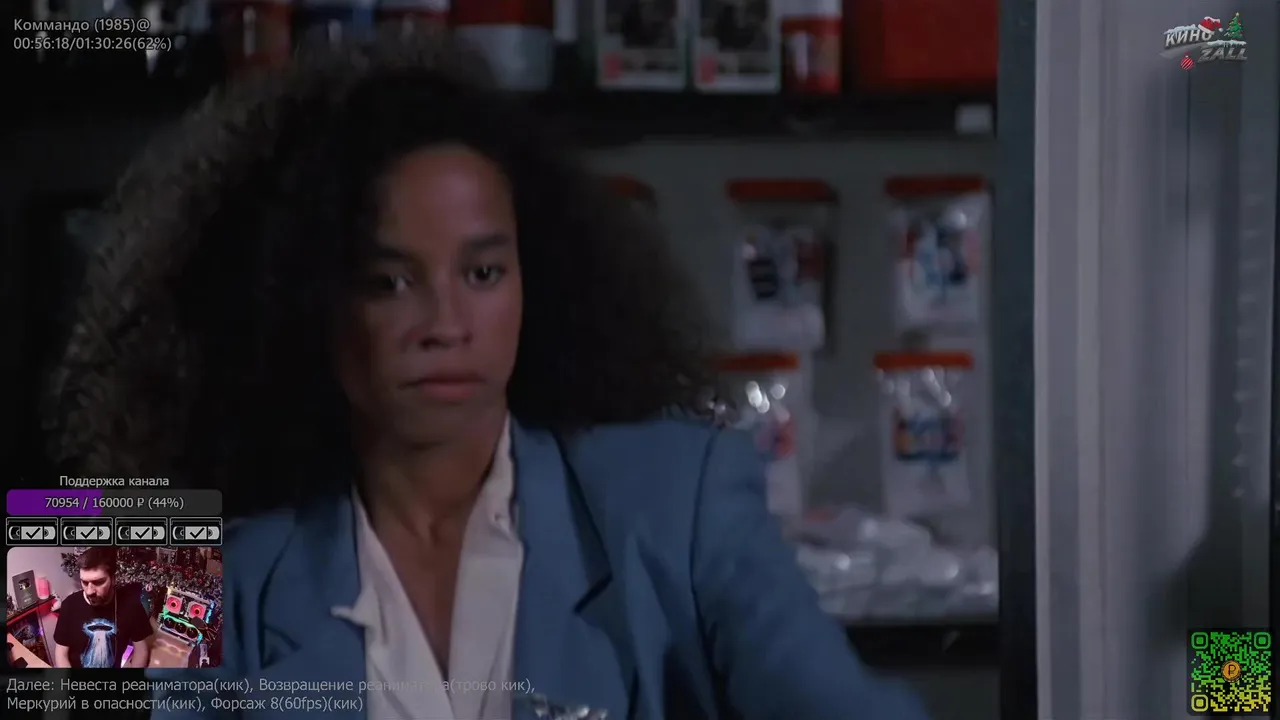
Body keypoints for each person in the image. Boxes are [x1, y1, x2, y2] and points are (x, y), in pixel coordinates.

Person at [48, 37, 929, 719]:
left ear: (533, 281)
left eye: (482, 273)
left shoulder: (682, 496)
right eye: (389, 281)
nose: (446, 323)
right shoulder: (153, 539)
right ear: (304, 300)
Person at [52, 548, 152, 669]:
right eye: (84, 582)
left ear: (113, 579)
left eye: (98, 582)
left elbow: (141, 650)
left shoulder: (132, 606)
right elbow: (61, 653)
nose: (89, 591)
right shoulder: (69, 605)